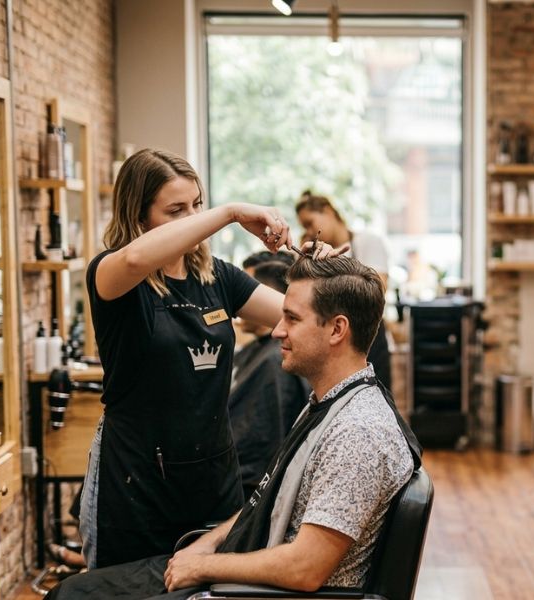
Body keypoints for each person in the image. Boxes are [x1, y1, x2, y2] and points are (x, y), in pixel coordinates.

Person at [48, 256, 421, 600]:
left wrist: (204, 566)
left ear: (337, 329)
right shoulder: (330, 405)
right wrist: (209, 543)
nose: (277, 330)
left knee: (72, 597)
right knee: (74, 592)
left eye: (292, 318)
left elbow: (305, 569)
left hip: (267, 593)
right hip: (251, 573)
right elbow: (269, 503)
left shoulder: (357, 432)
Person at [79, 149, 344, 569]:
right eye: (176, 210)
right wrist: (232, 213)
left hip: (212, 474)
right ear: (140, 217)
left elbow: (298, 318)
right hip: (134, 478)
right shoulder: (113, 277)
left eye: (197, 205)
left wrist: (323, 276)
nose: (192, 218)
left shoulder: (217, 277)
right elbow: (134, 258)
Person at [230, 258, 311, 500]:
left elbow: (259, 447)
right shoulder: (260, 352)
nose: (236, 303)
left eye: (244, 293)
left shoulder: (274, 362)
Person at [295, 190, 392, 390]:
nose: (310, 231)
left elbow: (377, 291)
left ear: (328, 211)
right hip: (333, 344)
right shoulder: (316, 255)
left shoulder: (368, 242)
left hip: (370, 341)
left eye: (310, 223)